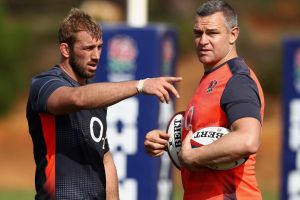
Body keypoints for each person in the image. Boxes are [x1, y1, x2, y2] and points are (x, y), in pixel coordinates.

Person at [26, 8, 182, 200]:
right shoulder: (45, 84)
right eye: (88, 48)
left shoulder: (96, 97)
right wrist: (141, 85)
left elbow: (105, 157)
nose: (96, 56)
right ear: (65, 49)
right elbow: (77, 98)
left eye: (99, 47)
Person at [144, 0, 265, 199]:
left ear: (233, 34)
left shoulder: (237, 81)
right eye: (198, 33)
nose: (203, 41)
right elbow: (204, 138)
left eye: (212, 33)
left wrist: (194, 156)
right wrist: (166, 142)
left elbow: (247, 140)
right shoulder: (210, 79)